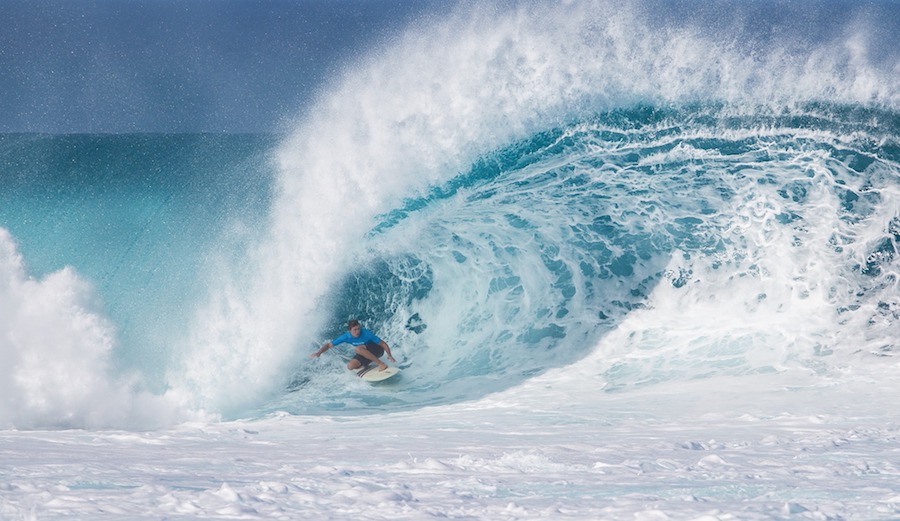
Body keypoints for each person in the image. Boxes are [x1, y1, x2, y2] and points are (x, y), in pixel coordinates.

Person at [311, 319, 395, 371]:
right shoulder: (346, 337)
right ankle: (367, 363)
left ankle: (381, 364)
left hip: (377, 350)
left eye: (358, 329)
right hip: (365, 352)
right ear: (349, 330)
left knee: (358, 349)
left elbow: (383, 343)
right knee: (350, 366)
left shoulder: (366, 333)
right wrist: (319, 353)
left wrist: (389, 355)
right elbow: (329, 345)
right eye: (355, 329)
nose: (357, 331)